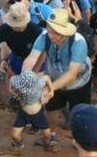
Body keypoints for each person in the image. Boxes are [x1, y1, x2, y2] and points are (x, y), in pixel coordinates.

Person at [23, 9, 92, 145]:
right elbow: (31, 59)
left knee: (78, 112)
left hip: (78, 82)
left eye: (55, 31)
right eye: (49, 29)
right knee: (51, 109)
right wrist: (25, 78)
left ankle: (80, 140)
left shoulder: (79, 42)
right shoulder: (44, 36)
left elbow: (72, 74)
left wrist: (49, 88)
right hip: (54, 76)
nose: (50, 34)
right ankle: (50, 134)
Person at [7, 70, 55, 154]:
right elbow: (11, 79)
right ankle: (19, 144)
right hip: (23, 113)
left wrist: (51, 90)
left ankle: (47, 144)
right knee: (14, 135)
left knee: (47, 134)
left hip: (38, 113)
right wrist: (10, 90)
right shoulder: (16, 81)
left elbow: (47, 78)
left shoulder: (38, 83)